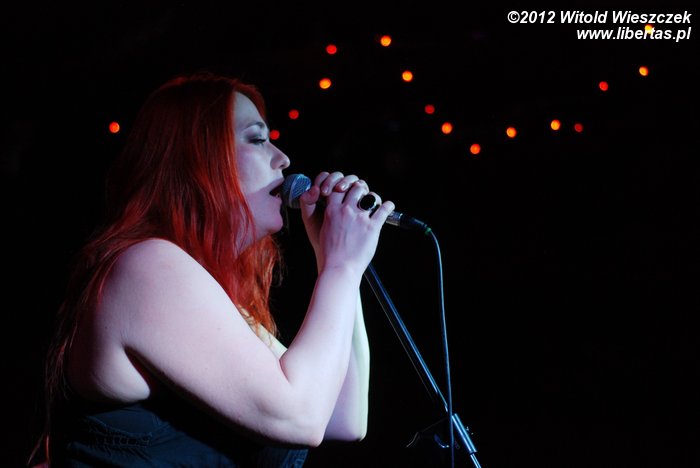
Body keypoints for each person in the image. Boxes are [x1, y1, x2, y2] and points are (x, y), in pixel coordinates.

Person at [30, 71, 394, 466]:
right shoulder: (148, 267)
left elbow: (343, 417)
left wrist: (333, 261)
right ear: (197, 159)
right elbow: (300, 417)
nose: (283, 159)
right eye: (257, 139)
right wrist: (340, 269)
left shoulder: (211, 295)